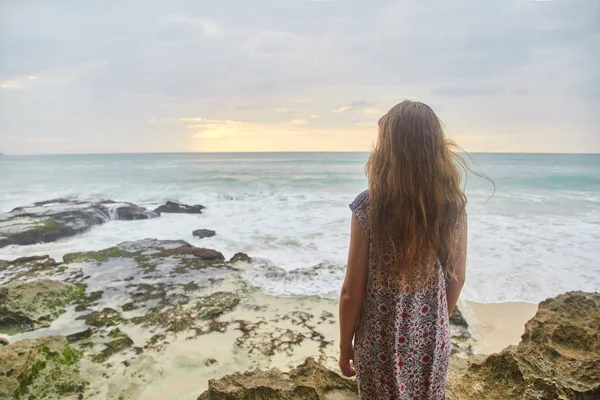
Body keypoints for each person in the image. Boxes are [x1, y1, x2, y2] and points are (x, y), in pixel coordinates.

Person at [338, 100, 468, 400]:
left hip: (379, 342)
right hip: (431, 341)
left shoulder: (370, 206)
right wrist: (434, 324)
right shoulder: (451, 205)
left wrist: (346, 345)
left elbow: (351, 292)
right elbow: (457, 278)